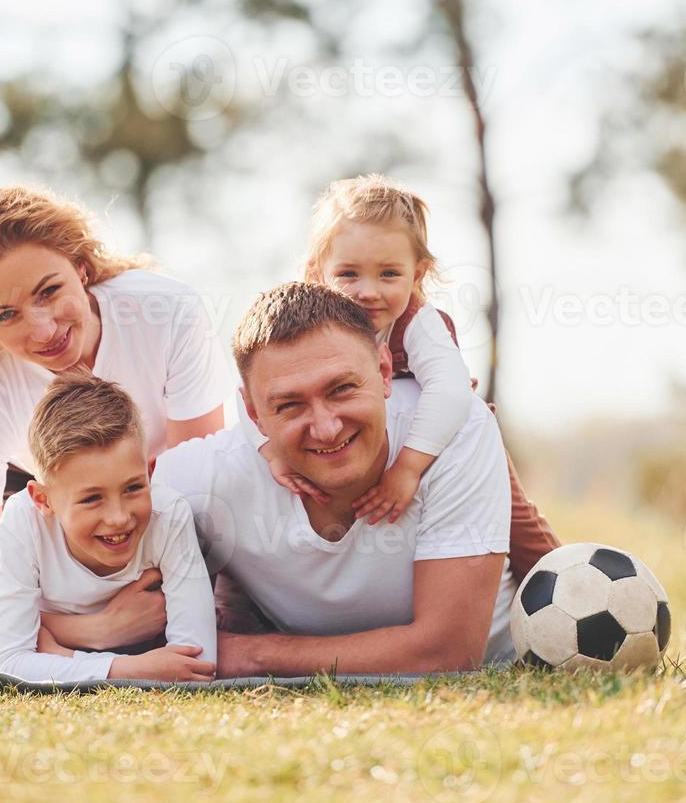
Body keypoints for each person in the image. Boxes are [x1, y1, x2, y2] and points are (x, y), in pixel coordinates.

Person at [0, 185, 230, 662]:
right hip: (36, 491)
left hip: (152, 485)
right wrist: (96, 629)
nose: (43, 330)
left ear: (80, 269)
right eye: (6, 315)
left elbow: (196, 496)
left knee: (206, 607)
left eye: (50, 291)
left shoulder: (168, 313)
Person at [154, 281, 522, 677]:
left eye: (342, 389)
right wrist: (99, 625)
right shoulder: (204, 474)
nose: (326, 429)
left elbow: (448, 651)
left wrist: (252, 656)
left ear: (383, 371)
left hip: (497, 660)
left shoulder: (453, 429)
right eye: (290, 405)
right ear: (252, 411)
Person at [254, 174, 560, 580]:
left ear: (418, 275)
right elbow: (258, 384)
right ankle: (237, 608)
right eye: (348, 274)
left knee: (517, 520)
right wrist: (268, 450)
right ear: (317, 272)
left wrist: (408, 468)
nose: (368, 291)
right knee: (262, 502)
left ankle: (567, 585)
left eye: (389, 275)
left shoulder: (418, 322)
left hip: (445, 438)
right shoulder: (309, 324)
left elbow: (450, 391)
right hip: (358, 447)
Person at [0, 375, 216, 684]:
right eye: (92, 499)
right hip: (54, 633)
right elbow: (9, 661)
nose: (118, 517)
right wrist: (128, 669)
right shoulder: (24, 520)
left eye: (133, 488)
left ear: (150, 472)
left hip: (65, 640)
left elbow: (195, 660)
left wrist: (52, 657)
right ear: (42, 499)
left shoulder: (170, 516)